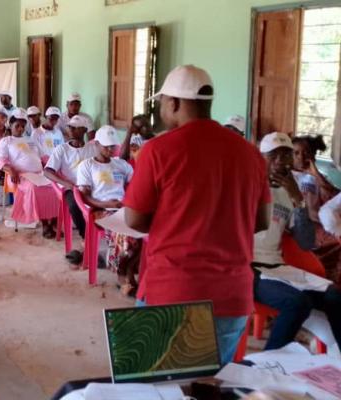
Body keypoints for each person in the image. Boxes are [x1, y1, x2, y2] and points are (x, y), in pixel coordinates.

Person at [124, 65, 271, 365]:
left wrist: (174, 222)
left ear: (174, 103)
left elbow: (134, 219)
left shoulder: (157, 150)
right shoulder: (250, 153)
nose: (161, 110)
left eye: (162, 102)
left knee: (154, 385)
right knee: (207, 387)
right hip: (232, 297)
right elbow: (262, 221)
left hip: (173, 290)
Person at [253, 132, 340, 350]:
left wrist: (298, 201)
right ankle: (266, 365)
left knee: (335, 297)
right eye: (274, 156)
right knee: (296, 303)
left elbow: (305, 242)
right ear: (260, 158)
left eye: (286, 156)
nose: (281, 162)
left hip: (277, 267)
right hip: (247, 267)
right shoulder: (245, 186)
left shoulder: (289, 192)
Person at [77, 126, 140, 294]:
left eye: (113, 146)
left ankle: (130, 269)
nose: (110, 150)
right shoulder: (87, 166)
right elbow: (84, 196)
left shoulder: (121, 165)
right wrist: (107, 205)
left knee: (145, 228)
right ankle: (123, 275)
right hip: (100, 210)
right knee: (126, 234)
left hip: (122, 208)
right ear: (96, 144)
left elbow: (136, 184)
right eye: (106, 146)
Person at [43, 115, 99, 264]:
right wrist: (66, 184)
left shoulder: (93, 148)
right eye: (70, 127)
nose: (71, 130)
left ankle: (102, 236)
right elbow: (48, 171)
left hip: (91, 187)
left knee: (108, 202)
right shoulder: (62, 149)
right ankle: (85, 236)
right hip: (71, 188)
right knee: (75, 205)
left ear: (85, 130)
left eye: (76, 127)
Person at [0, 108, 59, 237]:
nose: (20, 129)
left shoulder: (31, 140)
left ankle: (54, 222)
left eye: (23, 126)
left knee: (57, 187)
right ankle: (46, 225)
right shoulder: (6, 141)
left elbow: (43, 157)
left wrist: (54, 166)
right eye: (17, 126)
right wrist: (11, 170)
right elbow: (1, 161)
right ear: (10, 125)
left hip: (39, 174)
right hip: (19, 175)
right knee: (36, 189)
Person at [293, 135, 341, 282]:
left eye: (306, 152)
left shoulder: (319, 178)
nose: (301, 157)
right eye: (296, 153)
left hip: (319, 228)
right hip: (298, 226)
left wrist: (316, 174)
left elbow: (334, 199)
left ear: (313, 155)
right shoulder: (287, 176)